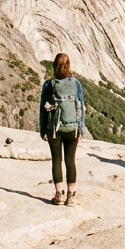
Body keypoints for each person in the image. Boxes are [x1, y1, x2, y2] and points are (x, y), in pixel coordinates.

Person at [39, 53, 85, 206]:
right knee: (70, 161)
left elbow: (42, 109)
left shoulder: (49, 85)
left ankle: (59, 195)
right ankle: (71, 196)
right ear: (69, 65)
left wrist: (43, 130)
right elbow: (81, 107)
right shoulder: (76, 84)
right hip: (72, 128)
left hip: (54, 129)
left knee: (57, 160)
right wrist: (81, 129)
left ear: (54, 66)